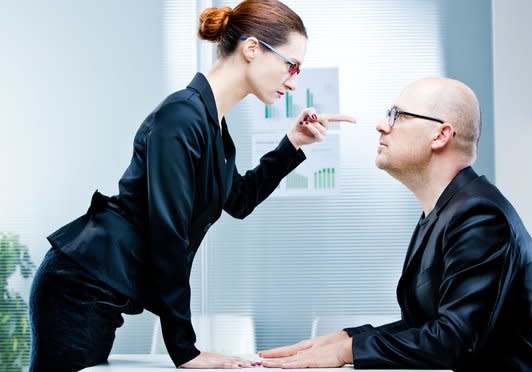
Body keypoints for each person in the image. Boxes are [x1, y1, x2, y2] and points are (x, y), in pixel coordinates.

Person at [28, 1, 356, 371]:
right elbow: (169, 233)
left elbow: (239, 200)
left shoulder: (212, 123)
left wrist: (291, 144)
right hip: (78, 284)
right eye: (291, 65)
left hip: (103, 287)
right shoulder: (182, 116)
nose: (294, 81)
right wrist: (186, 351)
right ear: (251, 49)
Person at [260, 77, 532, 371]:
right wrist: (348, 338)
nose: (381, 125)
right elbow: (425, 326)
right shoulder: (445, 210)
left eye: (398, 116)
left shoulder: (480, 216)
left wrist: (347, 352)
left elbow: (452, 341)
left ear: (441, 135)